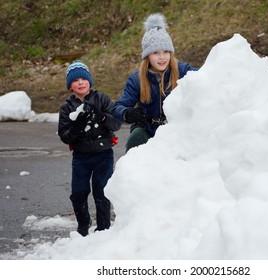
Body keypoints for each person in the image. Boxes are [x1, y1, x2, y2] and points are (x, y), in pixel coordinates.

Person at [113, 13, 198, 152]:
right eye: (156, 53)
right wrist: (128, 113)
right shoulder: (136, 79)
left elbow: (206, 76)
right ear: (147, 56)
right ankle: (134, 170)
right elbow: (118, 107)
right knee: (135, 138)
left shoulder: (182, 70)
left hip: (175, 128)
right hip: (147, 129)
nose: (162, 57)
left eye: (166, 51)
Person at [58, 60, 122, 236]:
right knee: (78, 193)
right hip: (81, 157)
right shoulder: (67, 107)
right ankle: (83, 224)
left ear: (89, 82)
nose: (80, 82)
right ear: (70, 86)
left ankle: (103, 228)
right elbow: (64, 136)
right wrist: (77, 126)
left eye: (83, 79)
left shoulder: (102, 99)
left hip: (104, 154)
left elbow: (116, 123)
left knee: (101, 190)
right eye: (75, 80)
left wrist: (103, 118)